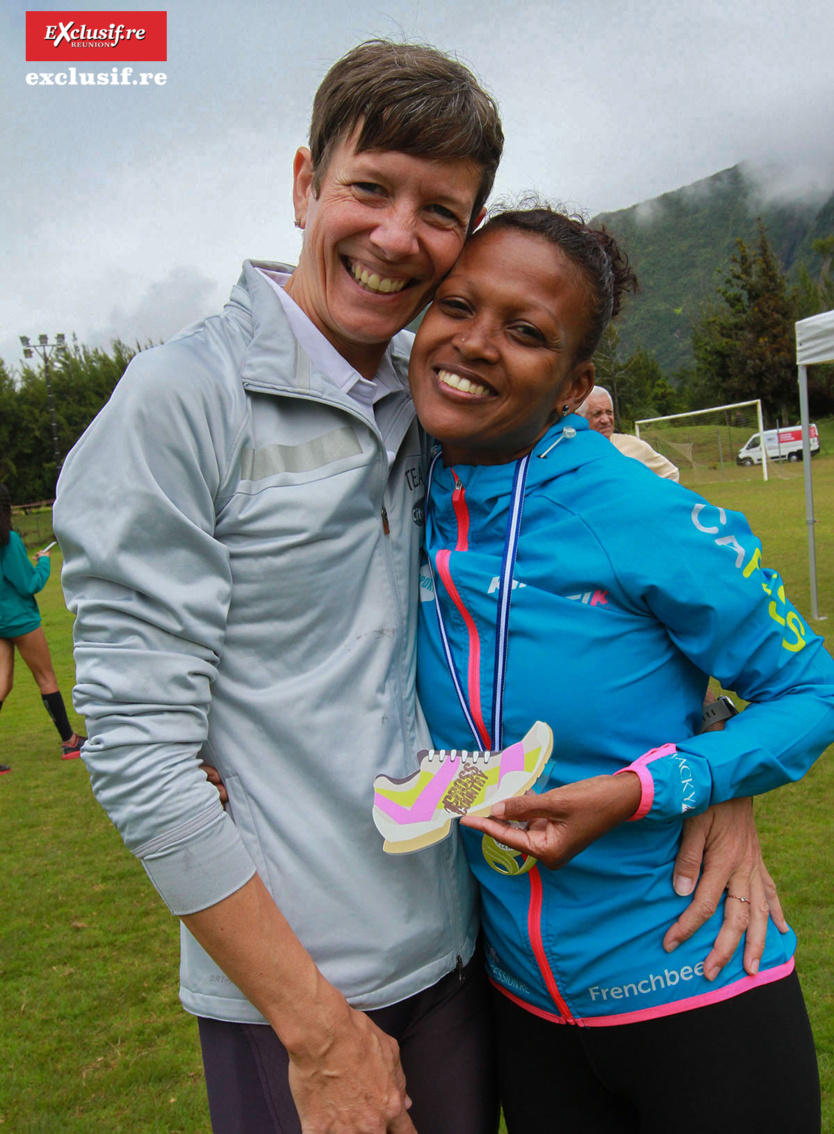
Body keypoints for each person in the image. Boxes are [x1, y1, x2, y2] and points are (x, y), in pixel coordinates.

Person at [56, 40, 782, 1133]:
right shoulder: (179, 401)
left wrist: (718, 767)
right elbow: (136, 750)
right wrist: (317, 1033)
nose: (397, 236)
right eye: (369, 188)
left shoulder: (438, 392)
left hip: (468, 954)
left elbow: (627, 583)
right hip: (305, 998)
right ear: (305, 184)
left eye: (438, 211)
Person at [409, 206, 831, 1132]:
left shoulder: (640, 512)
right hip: (524, 1012)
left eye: (527, 332)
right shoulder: (403, 497)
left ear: (574, 385)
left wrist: (660, 787)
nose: (475, 342)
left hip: (697, 980)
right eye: (457, 305)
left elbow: (810, 690)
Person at [0, 484, 85, 772]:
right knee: (46, 678)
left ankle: (70, 740)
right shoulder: (8, 540)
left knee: (2, 683)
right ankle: (70, 741)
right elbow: (29, 584)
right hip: (20, 620)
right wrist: (44, 563)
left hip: (1, 621)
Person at [578, 384, 680, 480]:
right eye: (597, 414)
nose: (605, 420)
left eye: (609, 412)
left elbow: (671, 473)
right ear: (580, 418)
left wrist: (646, 493)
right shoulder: (574, 451)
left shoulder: (635, 446)